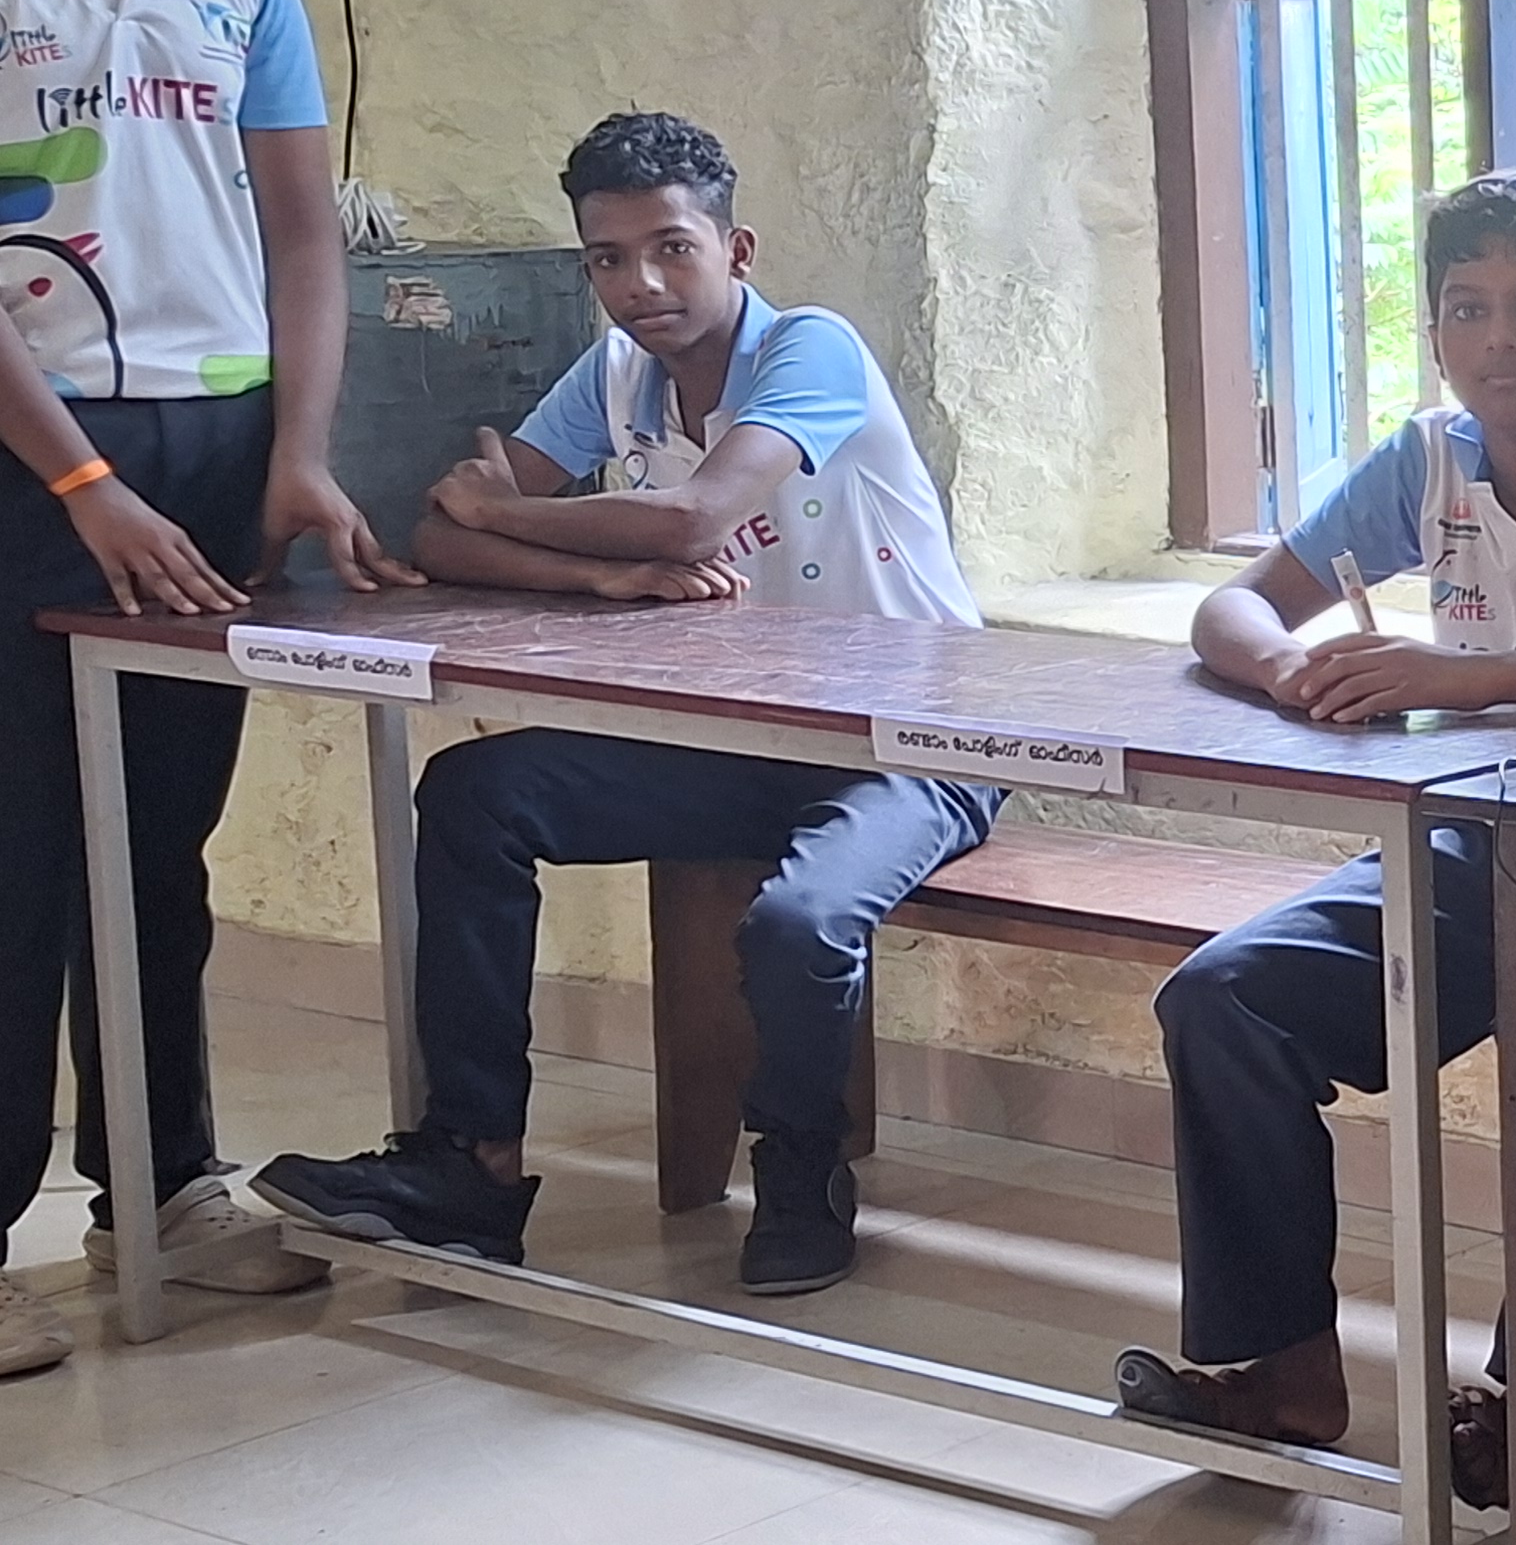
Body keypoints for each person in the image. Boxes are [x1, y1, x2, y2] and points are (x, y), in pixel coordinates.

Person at [250, 112, 997, 1298]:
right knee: (478, 790)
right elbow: (440, 538)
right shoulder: (615, 374)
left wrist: (512, 515)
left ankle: (801, 1168)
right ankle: (470, 1165)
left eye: (671, 249)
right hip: (736, 738)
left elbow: (691, 518)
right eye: (608, 257)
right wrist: (598, 574)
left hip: (911, 741)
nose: (640, 284)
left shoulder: (810, 348)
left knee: (799, 921)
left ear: (735, 249)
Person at [1111, 171, 1516, 1506]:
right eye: (1468, 308)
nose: (1503, 339)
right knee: (1224, 1000)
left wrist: (1475, 676)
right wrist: (1288, 667)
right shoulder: (1427, 461)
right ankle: (1283, 1365)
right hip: (1477, 856)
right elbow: (1233, 608)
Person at [0, 0, 411, 1378]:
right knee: (18, 850)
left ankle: (162, 1189)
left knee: (156, 845)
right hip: (35, 452)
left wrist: (298, 454)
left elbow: (303, 233)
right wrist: (83, 483)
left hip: (218, 451)